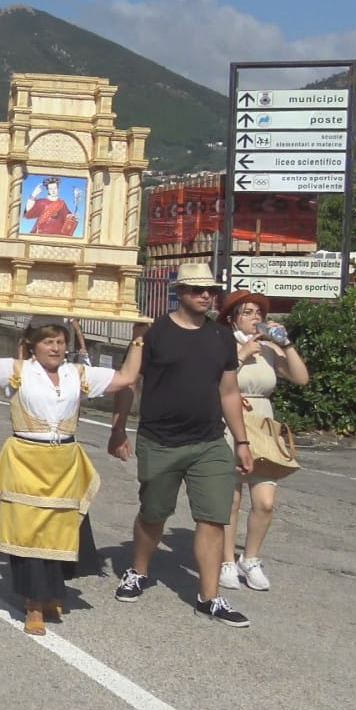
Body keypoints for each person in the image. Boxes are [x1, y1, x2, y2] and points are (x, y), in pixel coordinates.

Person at [0, 302, 145, 634]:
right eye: (48, 341)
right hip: (26, 460)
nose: (55, 347)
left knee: (59, 529)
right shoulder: (17, 370)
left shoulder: (76, 374)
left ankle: (52, 592)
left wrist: (138, 338)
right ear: (33, 344)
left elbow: (127, 377)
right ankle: (33, 604)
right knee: (28, 533)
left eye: (60, 341)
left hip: (63, 462)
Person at [108, 264, 255, 627]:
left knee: (212, 517)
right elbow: (129, 383)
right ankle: (138, 570)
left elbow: (229, 390)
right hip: (160, 441)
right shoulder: (154, 332)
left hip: (209, 442)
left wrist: (242, 441)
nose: (205, 295)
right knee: (154, 513)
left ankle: (211, 597)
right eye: (196, 289)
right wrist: (118, 429)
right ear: (179, 292)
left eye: (210, 290)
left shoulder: (222, 337)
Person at [216, 290, 308, 592]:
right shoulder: (222, 343)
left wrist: (286, 344)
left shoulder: (269, 348)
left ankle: (250, 558)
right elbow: (212, 380)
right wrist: (240, 356)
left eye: (259, 313)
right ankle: (226, 560)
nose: (255, 318)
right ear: (232, 318)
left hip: (263, 421)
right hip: (230, 421)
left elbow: (301, 378)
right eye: (247, 312)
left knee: (265, 501)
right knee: (230, 497)